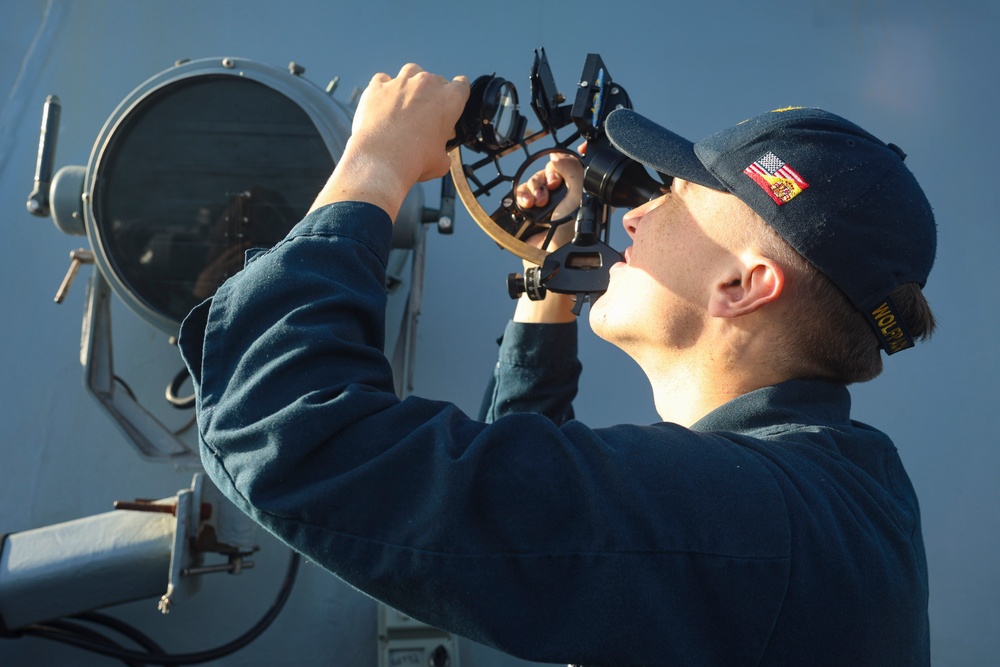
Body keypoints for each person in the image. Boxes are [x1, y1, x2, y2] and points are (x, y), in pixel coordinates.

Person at [178, 64, 935, 666]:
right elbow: (532, 526)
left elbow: (282, 427)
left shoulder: (748, 521)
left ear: (742, 285)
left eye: (674, 195)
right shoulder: (829, 496)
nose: (634, 214)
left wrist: (375, 164)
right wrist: (551, 276)